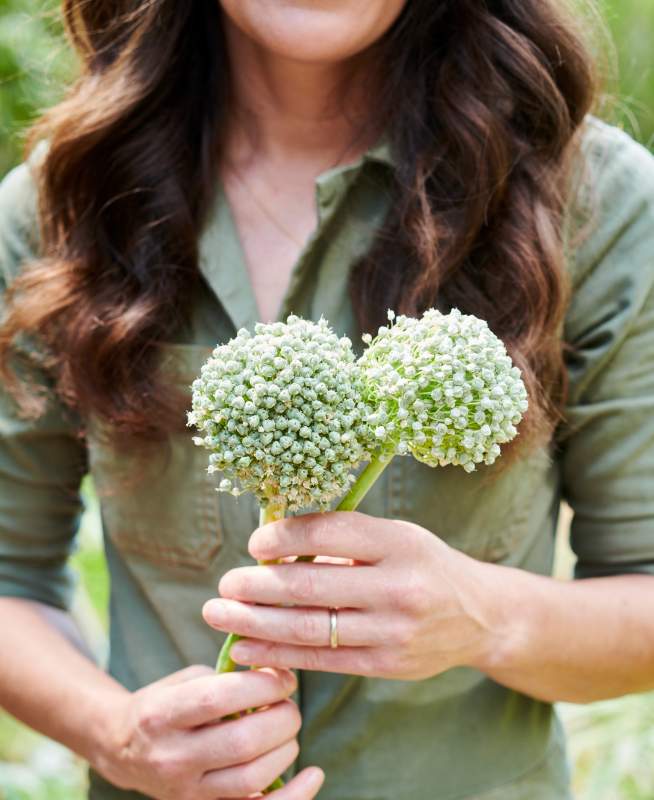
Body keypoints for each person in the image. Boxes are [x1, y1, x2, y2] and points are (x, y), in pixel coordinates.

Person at [1, 1, 653, 798]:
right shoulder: (62, 202)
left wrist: (485, 615)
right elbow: (9, 579)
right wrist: (117, 734)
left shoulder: (595, 200)